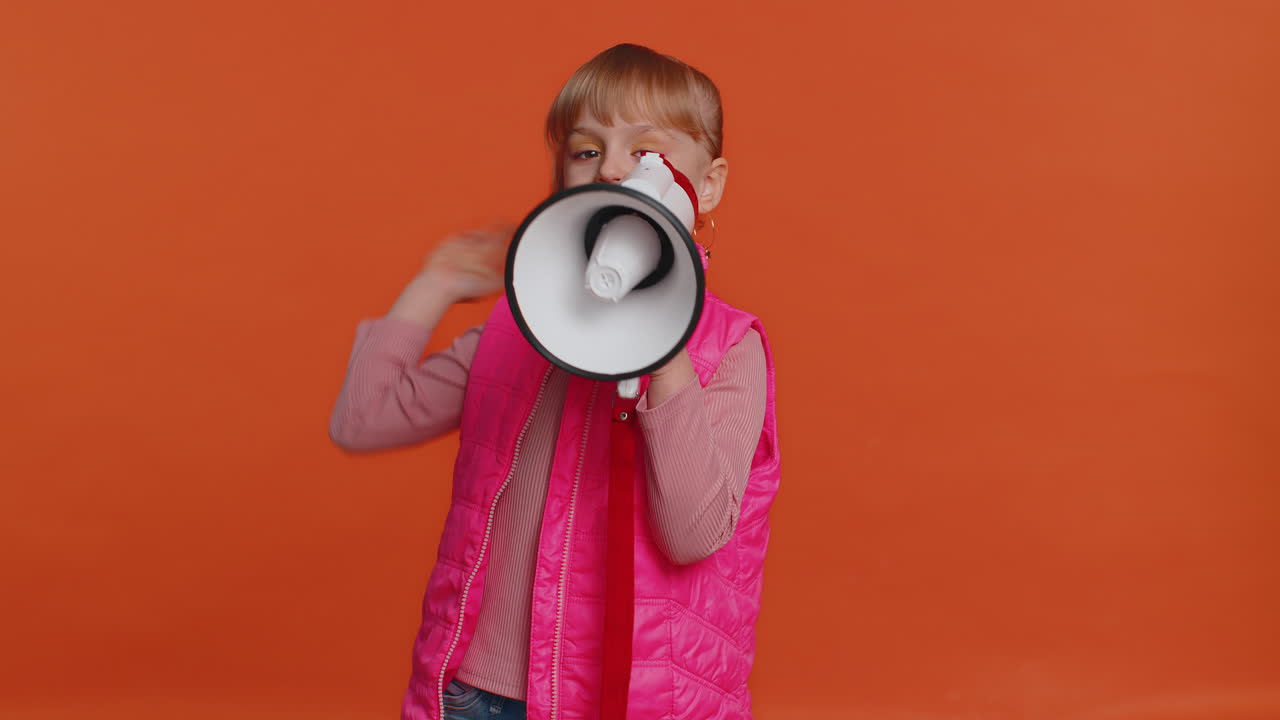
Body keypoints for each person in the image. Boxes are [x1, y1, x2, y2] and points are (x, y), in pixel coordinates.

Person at [330, 43, 780, 720]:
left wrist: (663, 343)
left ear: (708, 184)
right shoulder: (517, 331)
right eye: (587, 150)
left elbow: (692, 532)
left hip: (630, 703)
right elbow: (363, 419)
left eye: (646, 152)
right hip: (478, 696)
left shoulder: (727, 348)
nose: (613, 169)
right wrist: (435, 285)